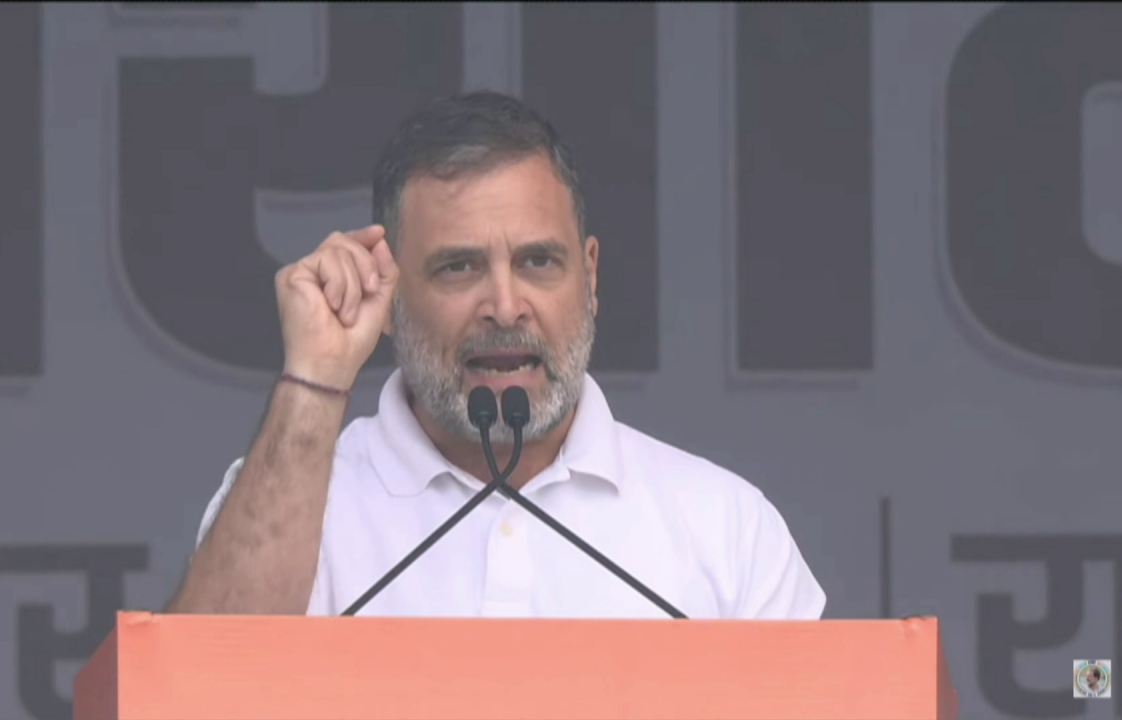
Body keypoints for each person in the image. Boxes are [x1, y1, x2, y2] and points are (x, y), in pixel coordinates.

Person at [165, 91, 826, 619]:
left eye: (538, 262)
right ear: (389, 294)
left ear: (590, 277)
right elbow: (196, 691)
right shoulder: (295, 498)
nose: (506, 307)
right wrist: (314, 379)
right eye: (459, 267)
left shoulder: (726, 527)